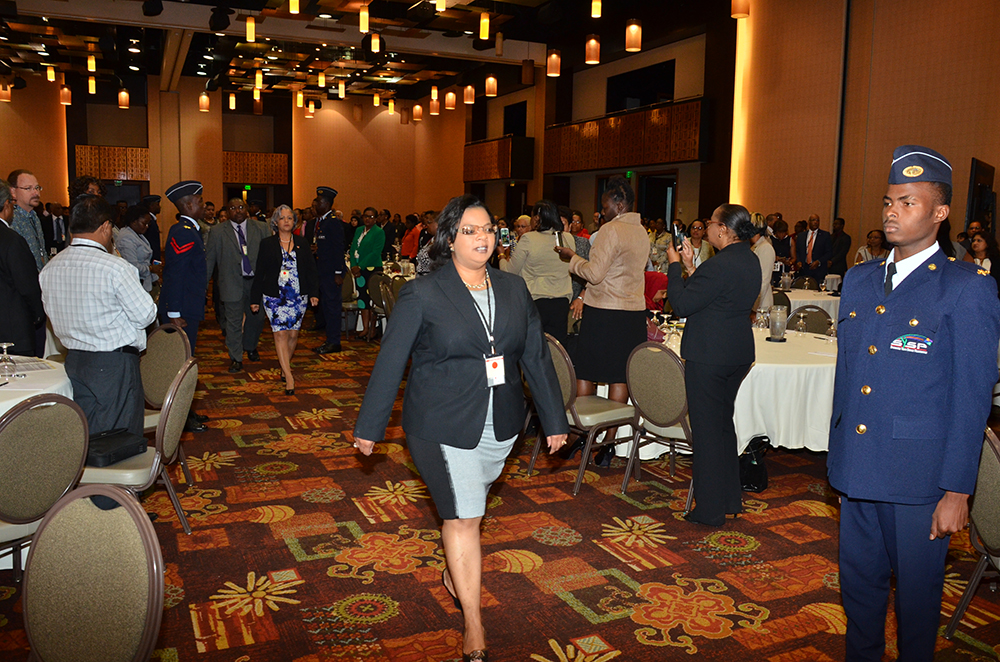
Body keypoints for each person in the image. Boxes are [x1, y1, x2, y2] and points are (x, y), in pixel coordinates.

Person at [353, 194, 568, 662]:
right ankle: (474, 623)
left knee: (466, 511)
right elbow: (391, 359)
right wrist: (370, 425)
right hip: (440, 421)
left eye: (488, 229)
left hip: (500, 421)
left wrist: (554, 418)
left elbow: (534, 355)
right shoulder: (423, 293)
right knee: (466, 516)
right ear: (450, 239)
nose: (481, 237)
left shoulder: (513, 289)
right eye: (469, 230)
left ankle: (455, 572)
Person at [828, 145, 1000, 662]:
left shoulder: (965, 288)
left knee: (917, 606)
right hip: (858, 471)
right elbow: (850, 380)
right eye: (888, 201)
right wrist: (840, 461)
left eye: (907, 202)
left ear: (940, 212)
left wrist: (957, 491)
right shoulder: (859, 280)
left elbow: (971, 398)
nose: (891, 212)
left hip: (918, 478)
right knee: (859, 593)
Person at [665, 203, 760, 527]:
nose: (706, 228)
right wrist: (692, 267)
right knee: (722, 427)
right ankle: (730, 500)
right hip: (737, 353)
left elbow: (681, 304)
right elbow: (715, 295)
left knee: (706, 433)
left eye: (710, 223)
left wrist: (675, 266)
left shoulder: (719, 265)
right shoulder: (749, 259)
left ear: (723, 229)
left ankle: (709, 510)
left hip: (709, 355)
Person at [39, 195, 158, 437]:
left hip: (74, 360)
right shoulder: (116, 268)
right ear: (105, 227)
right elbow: (146, 316)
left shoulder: (50, 268)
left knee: (85, 432)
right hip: (113, 363)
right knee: (118, 439)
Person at [553, 177, 648, 466]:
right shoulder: (641, 231)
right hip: (633, 313)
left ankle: (582, 433)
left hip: (605, 311)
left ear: (618, 206)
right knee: (620, 375)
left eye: (605, 207)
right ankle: (608, 442)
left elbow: (594, 274)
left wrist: (572, 258)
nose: (601, 213)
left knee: (586, 371)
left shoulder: (611, 230)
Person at [251, 205, 319, 394]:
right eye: (282, 218)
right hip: (274, 297)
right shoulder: (267, 244)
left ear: (294, 222)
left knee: (293, 334)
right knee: (280, 334)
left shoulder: (302, 243)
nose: (286, 221)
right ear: (276, 222)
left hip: (298, 296)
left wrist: (314, 293)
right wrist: (254, 298)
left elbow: (311, 270)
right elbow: (260, 272)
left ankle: (284, 365)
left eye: (290, 218)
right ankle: (289, 376)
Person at [206, 198, 268, 373]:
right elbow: (209, 260)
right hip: (231, 283)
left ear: (246, 209)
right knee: (233, 322)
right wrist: (203, 287)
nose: (238, 210)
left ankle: (250, 346)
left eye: (241, 207)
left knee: (257, 319)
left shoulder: (262, 228)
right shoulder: (217, 231)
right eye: (233, 208)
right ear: (227, 212)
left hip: (256, 284)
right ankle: (236, 357)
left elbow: (270, 257)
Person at [499, 200, 573, 343]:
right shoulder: (567, 237)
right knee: (557, 348)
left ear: (537, 218)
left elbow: (509, 272)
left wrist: (502, 255)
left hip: (537, 300)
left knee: (533, 346)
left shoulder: (529, 238)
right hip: (561, 301)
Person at [159, 181, 208, 354]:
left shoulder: (189, 229)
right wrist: (174, 312)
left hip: (188, 303)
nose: (204, 205)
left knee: (185, 352)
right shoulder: (184, 233)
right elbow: (175, 273)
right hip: (183, 307)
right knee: (180, 355)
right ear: (189, 205)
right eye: (200, 201)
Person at [0, 180, 44, 358]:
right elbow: (27, 285)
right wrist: (38, 314)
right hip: (12, 332)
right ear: (6, 205)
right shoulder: (12, 240)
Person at [312, 186, 346, 354]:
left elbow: (339, 249)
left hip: (332, 273)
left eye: (318, 201)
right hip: (324, 271)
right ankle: (330, 340)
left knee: (332, 308)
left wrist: (338, 272)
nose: (315, 204)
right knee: (326, 307)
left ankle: (334, 342)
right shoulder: (322, 222)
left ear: (326, 203)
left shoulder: (333, 222)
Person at [350, 207, 385, 341]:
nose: (367, 219)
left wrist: (360, 266)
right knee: (362, 299)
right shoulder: (359, 230)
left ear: (375, 219)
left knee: (372, 299)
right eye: (365, 216)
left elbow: (375, 252)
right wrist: (354, 265)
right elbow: (353, 248)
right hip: (358, 269)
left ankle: (372, 329)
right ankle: (365, 328)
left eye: (371, 217)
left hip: (372, 268)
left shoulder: (379, 232)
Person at [7, 169, 48, 272]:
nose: (36, 193)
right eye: (28, 188)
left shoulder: (34, 217)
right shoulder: (11, 219)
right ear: (13, 192)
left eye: (37, 188)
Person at [116, 205, 158, 293]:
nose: (147, 226)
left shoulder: (137, 234)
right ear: (134, 222)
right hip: (134, 284)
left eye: (148, 224)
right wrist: (150, 269)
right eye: (144, 223)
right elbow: (132, 266)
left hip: (144, 281)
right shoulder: (126, 237)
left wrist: (154, 277)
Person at [795, 214, 832, 281]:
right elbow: (797, 251)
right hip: (804, 269)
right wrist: (798, 261)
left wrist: (818, 261)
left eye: (817, 220)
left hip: (818, 270)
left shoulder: (825, 235)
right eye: (813, 220)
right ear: (809, 222)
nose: (815, 222)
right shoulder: (801, 236)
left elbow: (829, 252)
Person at [750, 214, 775, 313]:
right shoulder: (754, 247)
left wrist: (753, 308)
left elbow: (763, 281)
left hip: (761, 306)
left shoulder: (766, 248)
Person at [141, 194, 163, 263]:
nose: (160, 207)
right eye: (157, 204)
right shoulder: (149, 221)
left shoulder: (152, 219)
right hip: (151, 258)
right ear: (152, 206)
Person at [415, 212, 438, 276]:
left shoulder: (443, 243)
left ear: (438, 224)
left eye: (429, 222)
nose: (427, 225)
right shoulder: (432, 239)